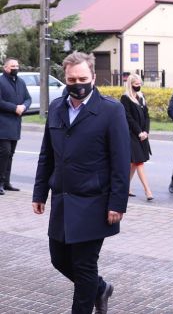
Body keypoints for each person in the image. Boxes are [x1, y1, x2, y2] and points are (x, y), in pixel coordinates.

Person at [32, 51, 130, 314]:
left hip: (95, 202)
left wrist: (117, 203)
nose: (78, 84)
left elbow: (121, 160)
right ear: (65, 78)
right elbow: (47, 153)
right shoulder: (56, 107)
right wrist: (39, 192)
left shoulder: (111, 110)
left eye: (83, 78)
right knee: (59, 259)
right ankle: (100, 289)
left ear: (94, 77)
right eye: (71, 79)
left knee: (84, 266)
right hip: (62, 200)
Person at [120, 74, 153, 201]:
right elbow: (128, 118)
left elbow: (147, 116)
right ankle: (147, 190)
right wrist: (139, 132)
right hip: (131, 134)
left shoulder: (141, 97)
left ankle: (125, 187)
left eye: (140, 84)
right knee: (139, 162)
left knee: (134, 163)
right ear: (131, 84)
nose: (139, 86)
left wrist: (146, 131)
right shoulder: (125, 98)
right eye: (136, 84)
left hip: (142, 134)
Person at [0, 57, 31, 195]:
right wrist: (14, 108)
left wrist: (24, 106)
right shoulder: (1, 81)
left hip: (15, 124)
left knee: (10, 154)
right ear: (5, 68)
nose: (16, 68)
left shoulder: (21, 82)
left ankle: (6, 183)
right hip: (2, 124)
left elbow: (28, 98)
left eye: (17, 65)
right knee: (4, 153)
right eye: (13, 66)